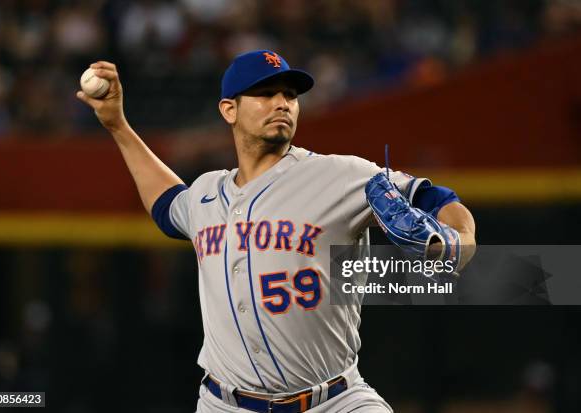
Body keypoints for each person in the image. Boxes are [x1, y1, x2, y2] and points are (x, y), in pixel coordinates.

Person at [76, 50, 476, 412]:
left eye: (289, 94)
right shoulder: (206, 194)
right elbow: (166, 205)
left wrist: (457, 243)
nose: (282, 103)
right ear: (229, 109)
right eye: (265, 93)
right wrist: (118, 125)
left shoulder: (340, 175)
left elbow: (440, 199)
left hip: (334, 401)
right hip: (225, 404)